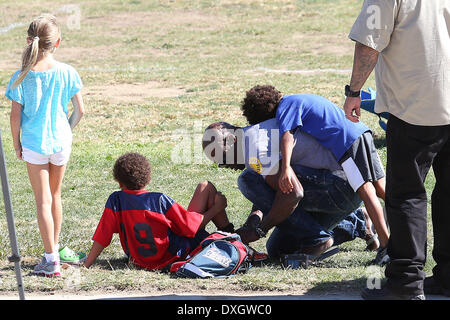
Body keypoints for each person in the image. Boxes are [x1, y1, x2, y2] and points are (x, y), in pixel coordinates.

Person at [344, 0, 450, 300]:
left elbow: (369, 41)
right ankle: (446, 277)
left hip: (415, 105)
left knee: (406, 195)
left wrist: (354, 92)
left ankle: (405, 282)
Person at [240, 85, 390, 262]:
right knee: (383, 190)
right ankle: (402, 231)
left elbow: (287, 135)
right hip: (357, 134)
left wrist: (286, 167)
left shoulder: (286, 107)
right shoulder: (295, 100)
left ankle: (387, 246)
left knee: (367, 191)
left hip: (346, 142)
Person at [202, 120, 379, 260]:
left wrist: (259, 230)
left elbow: (293, 193)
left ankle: (318, 239)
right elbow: (271, 187)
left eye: (223, 159)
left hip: (340, 185)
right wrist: (253, 220)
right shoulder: (251, 141)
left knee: (247, 179)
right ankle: (357, 223)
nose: (225, 166)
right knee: (278, 249)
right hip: (340, 189)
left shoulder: (253, 147)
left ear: (232, 140)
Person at [5, 15, 86, 277]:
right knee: (55, 195)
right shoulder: (68, 71)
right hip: (60, 142)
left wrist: (16, 143)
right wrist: (66, 131)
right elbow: (80, 111)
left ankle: (51, 260)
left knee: (43, 201)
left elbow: (14, 116)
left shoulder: (21, 76)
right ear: (57, 43)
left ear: (29, 41)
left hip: (34, 144)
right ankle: (54, 248)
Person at [84, 152, 234, 271]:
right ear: (148, 179)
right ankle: (231, 238)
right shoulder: (159, 200)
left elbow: (102, 237)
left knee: (204, 189)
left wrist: (87, 264)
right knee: (206, 187)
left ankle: (230, 236)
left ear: (118, 181)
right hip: (171, 256)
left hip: (138, 261)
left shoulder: (115, 201)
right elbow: (191, 228)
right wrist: (217, 208)